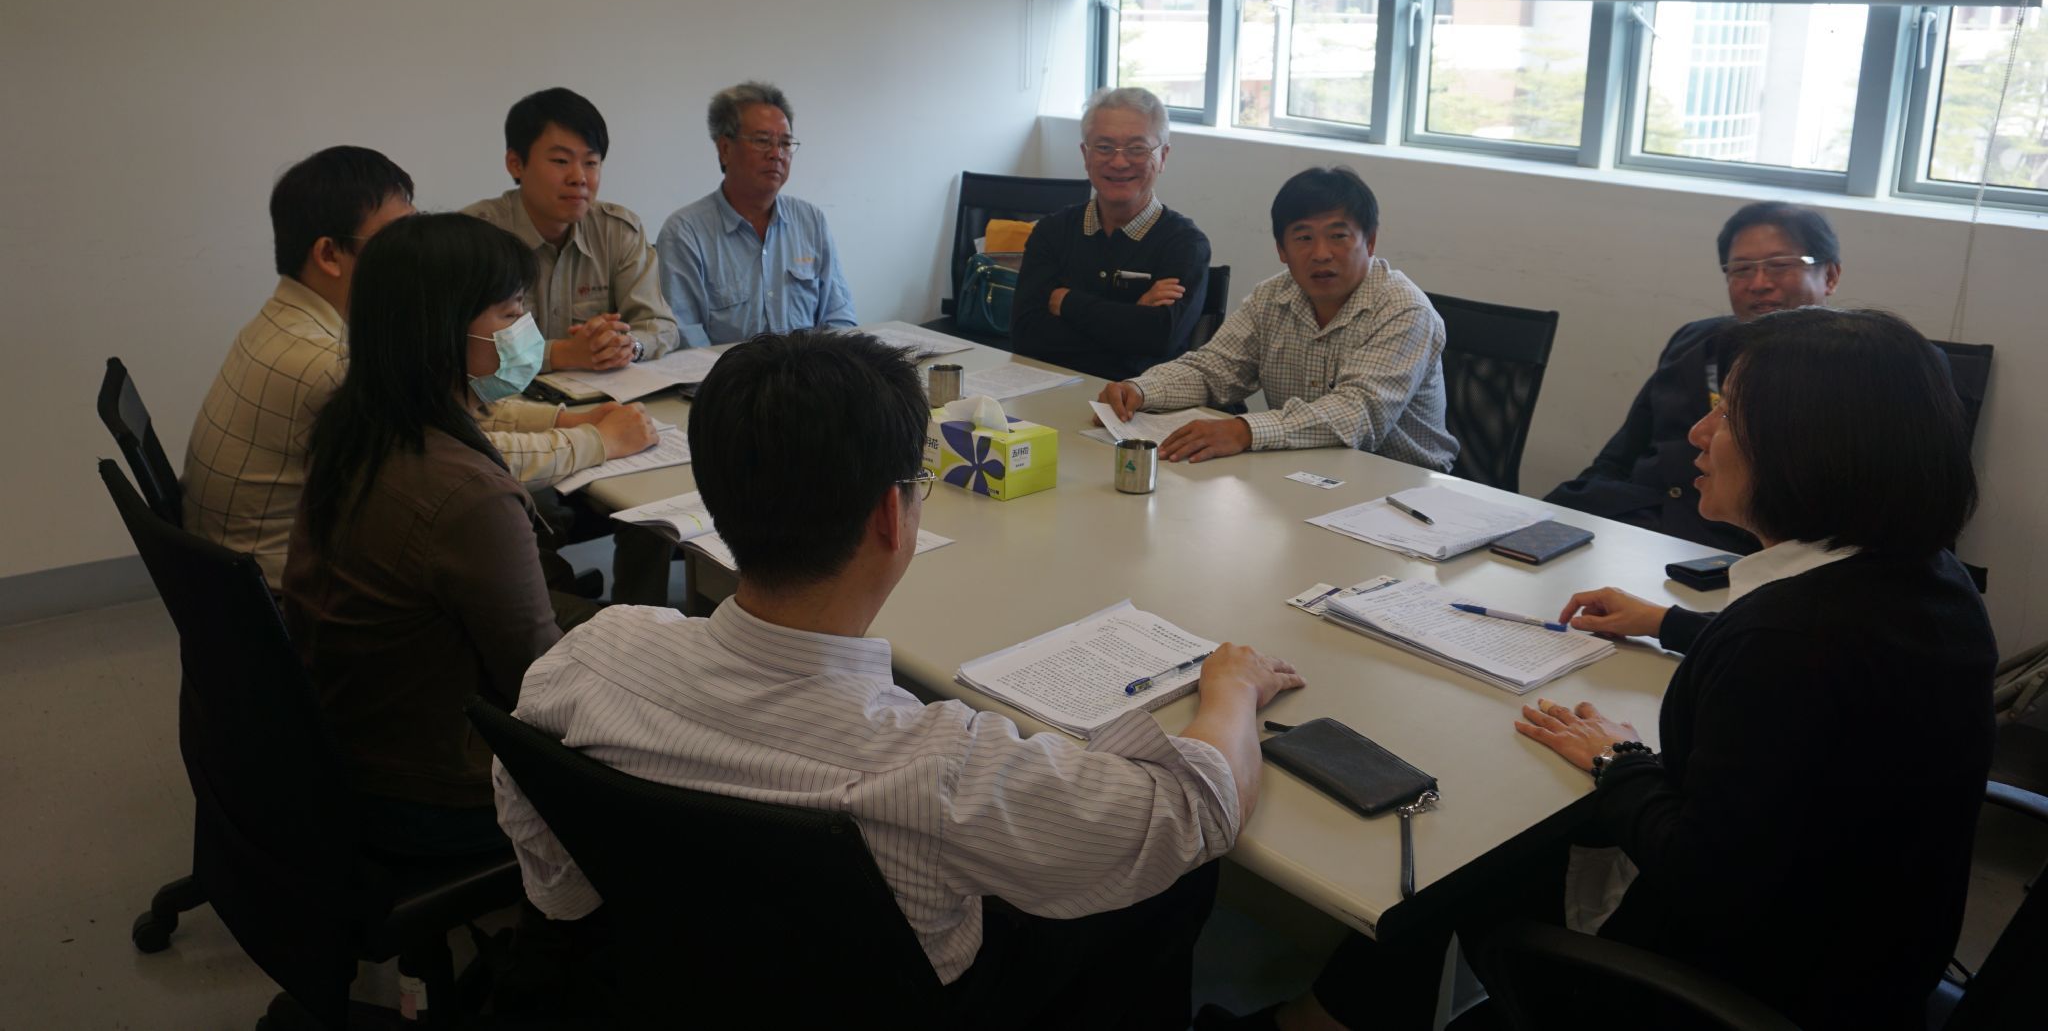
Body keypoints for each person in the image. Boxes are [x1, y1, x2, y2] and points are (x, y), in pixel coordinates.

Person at [494, 330, 1304, 1028]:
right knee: (1176, 885)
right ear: (892, 514)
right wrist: (1231, 688)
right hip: (932, 1002)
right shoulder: (940, 769)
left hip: (661, 977)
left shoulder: (585, 659)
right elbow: (1198, 810)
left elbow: (549, 863)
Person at [1218, 308, 1994, 1031]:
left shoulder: (1783, 644)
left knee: (1464, 859)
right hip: (1871, 951)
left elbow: (1702, 875)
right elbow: (1818, 688)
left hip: (1732, 988)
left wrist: (1620, 762)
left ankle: (1319, 1019)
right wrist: (1669, 622)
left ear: (1809, 448)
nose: (1698, 432)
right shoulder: (1927, 581)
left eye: (1728, 414)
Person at [184, 147, 654, 590]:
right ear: (329, 255)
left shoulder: (295, 323)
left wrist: (563, 420)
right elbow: (463, 464)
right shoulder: (324, 362)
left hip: (267, 579)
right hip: (298, 599)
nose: (413, 251)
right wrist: (599, 441)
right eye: (394, 238)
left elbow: (447, 414)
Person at [284, 213, 570, 857]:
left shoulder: (357, 424)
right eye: (510, 313)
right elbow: (540, 682)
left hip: (354, 738)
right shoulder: (468, 495)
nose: (526, 330)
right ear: (443, 330)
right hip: (438, 787)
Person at [1098, 166, 1456, 470]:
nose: (1321, 253)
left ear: (1370, 242)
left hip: (1404, 492)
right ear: (1282, 250)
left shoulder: (1403, 310)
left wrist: (1244, 431)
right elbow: (1213, 370)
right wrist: (1141, 390)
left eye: (1338, 236)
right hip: (1303, 474)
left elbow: (1356, 414)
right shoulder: (1272, 297)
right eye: (1303, 237)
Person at [1544, 200, 1842, 553]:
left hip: (1725, 549)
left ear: (1830, 276)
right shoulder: (1696, 343)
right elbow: (1618, 457)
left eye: (1779, 265)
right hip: (1634, 526)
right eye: (1741, 269)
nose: (1759, 283)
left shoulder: (1847, 372)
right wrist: (1570, 525)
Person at [465, 86, 681, 369]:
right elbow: (462, 344)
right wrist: (560, 354)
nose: (579, 177)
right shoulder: (475, 236)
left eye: (591, 162)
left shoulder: (618, 231)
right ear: (515, 164)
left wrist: (628, 346)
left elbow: (659, 324)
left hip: (601, 389)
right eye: (561, 161)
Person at [1012, 86, 1213, 381]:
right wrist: (1133, 317)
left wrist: (1067, 302)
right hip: (1050, 390)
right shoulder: (1052, 231)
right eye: (1104, 147)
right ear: (1085, 155)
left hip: (1140, 402)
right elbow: (1026, 335)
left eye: (1137, 149)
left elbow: (1160, 338)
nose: (1119, 162)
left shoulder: (1185, 244)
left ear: (1163, 156)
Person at [655, 81, 856, 347]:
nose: (776, 154)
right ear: (725, 149)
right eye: (762, 141)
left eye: (785, 143)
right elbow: (687, 339)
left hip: (809, 372)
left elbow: (839, 318)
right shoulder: (685, 233)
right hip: (721, 374)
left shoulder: (811, 222)